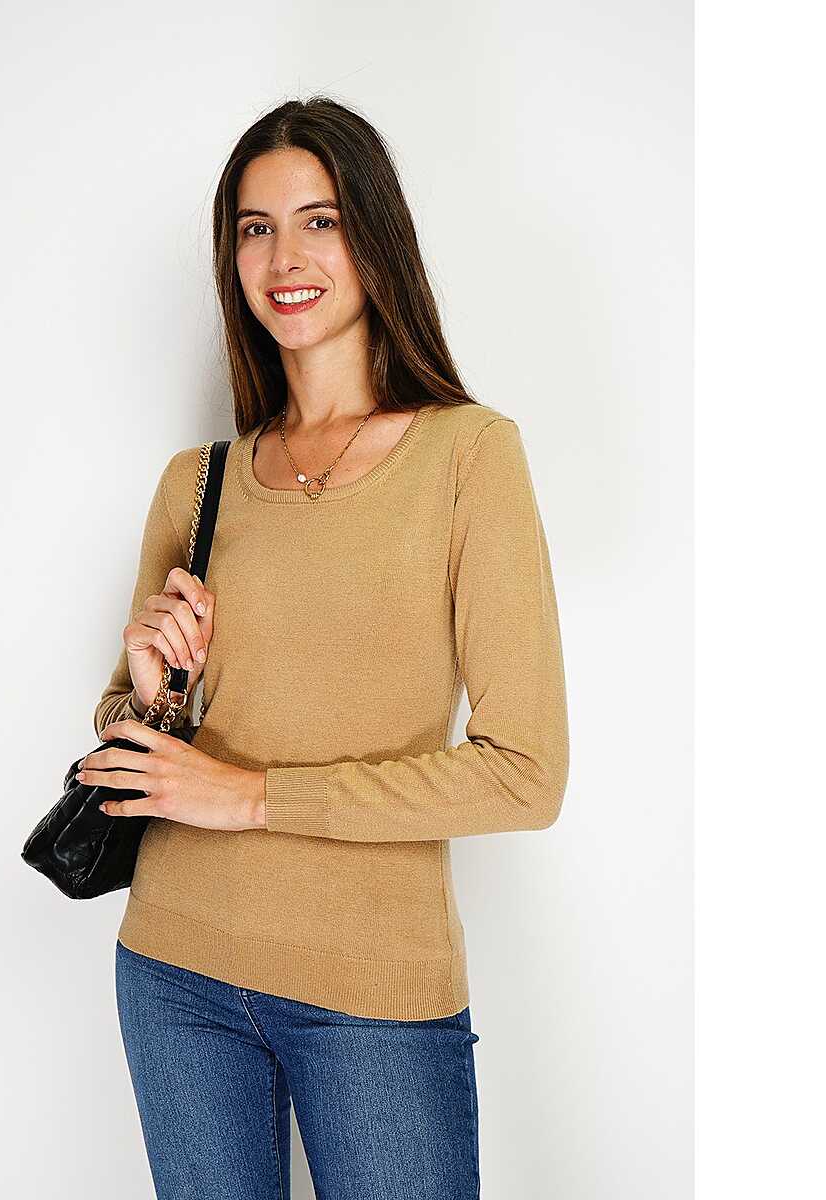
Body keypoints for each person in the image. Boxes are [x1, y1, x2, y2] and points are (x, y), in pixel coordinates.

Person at [78, 96, 569, 1200]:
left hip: (374, 993)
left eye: (320, 220)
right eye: (255, 228)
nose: (284, 258)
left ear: (375, 237)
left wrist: (253, 797)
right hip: (173, 968)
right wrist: (151, 700)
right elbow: (122, 742)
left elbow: (525, 774)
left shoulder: (469, 457)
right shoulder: (197, 482)